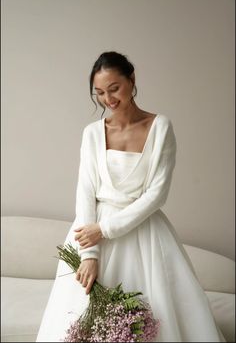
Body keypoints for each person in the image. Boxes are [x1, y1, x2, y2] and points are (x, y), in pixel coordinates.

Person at [36, 51, 226, 342]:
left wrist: (105, 230)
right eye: (99, 93)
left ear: (131, 79)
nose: (108, 99)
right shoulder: (91, 133)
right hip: (92, 237)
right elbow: (85, 191)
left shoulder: (160, 127)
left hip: (144, 234)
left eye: (114, 88)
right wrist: (89, 253)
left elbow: (156, 195)